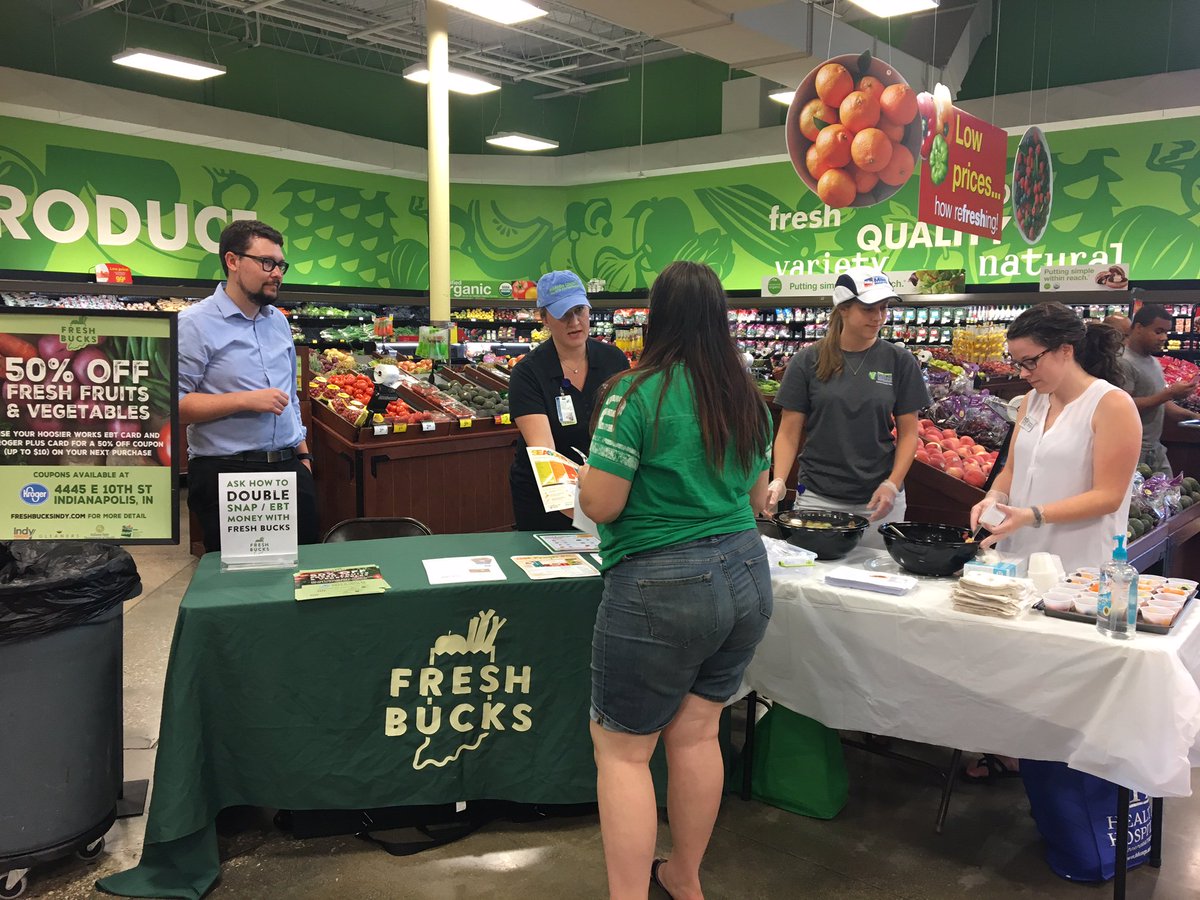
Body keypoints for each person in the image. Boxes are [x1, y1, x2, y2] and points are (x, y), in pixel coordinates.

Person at [578, 260, 773, 900]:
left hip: (660, 583)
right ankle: (684, 877)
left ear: (656, 316)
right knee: (698, 733)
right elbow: (758, 496)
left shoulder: (634, 393)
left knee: (624, 752)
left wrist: (583, 478)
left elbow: (602, 503)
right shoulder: (745, 396)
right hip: (746, 573)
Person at [963, 302, 1140, 782]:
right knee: (1017, 663)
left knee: (1067, 673)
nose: (1023, 373)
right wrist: (995, 498)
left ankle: (1066, 771)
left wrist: (1033, 515)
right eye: (1017, 363)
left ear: (1065, 350)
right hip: (1019, 553)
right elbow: (1012, 468)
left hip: (1078, 559)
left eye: (1030, 361)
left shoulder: (1111, 405)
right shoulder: (1032, 402)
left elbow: (1109, 495)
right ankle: (1017, 753)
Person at [763, 268, 930, 547]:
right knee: (814, 572)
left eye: (884, 308)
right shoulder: (807, 361)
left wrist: (892, 483)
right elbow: (789, 432)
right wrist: (779, 479)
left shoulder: (900, 361)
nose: (878, 317)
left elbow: (909, 433)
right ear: (843, 308)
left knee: (878, 572)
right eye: (868, 309)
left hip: (879, 499)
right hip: (818, 497)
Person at [178, 219, 318, 552]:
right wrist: (244, 400)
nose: (277, 273)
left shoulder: (278, 321)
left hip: (288, 467)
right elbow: (172, 405)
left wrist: (303, 456)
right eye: (267, 262)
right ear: (233, 261)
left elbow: (289, 396)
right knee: (240, 576)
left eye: (281, 265)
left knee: (302, 568)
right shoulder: (194, 324)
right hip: (227, 473)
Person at [508, 270, 629, 530]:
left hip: (604, 491)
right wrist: (588, 517)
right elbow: (546, 453)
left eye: (579, 310)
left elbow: (625, 432)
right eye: (563, 314)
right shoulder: (527, 373)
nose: (574, 322)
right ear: (544, 318)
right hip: (547, 499)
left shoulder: (614, 361)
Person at [1119, 303, 1197, 475]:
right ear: (1138, 328)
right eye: (1158, 331)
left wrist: (1193, 417)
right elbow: (1122, 406)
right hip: (1132, 449)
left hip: (1155, 448)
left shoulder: (1153, 362)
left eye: (1166, 332)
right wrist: (1169, 393)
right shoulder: (1123, 361)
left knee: (1171, 489)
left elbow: (1162, 403)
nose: (1164, 337)